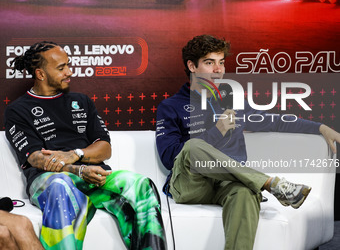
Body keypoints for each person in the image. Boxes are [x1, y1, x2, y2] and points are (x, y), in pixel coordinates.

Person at [155, 34, 340, 250]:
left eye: (221, 62)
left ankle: (259, 185)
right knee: (194, 146)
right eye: (209, 62)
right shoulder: (171, 106)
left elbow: (274, 121)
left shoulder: (233, 101)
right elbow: (169, 157)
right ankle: (269, 183)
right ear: (191, 66)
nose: (218, 70)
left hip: (228, 184)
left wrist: (318, 126)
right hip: (191, 185)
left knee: (245, 192)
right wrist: (216, 131)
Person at [4, 41, 167, 250]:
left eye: (68, 65)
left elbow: (104, 148)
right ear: (41, 74)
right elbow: (36, 158)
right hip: (51, 180)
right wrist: (79, 169)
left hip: (94, 175)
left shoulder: (82, 101)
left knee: (141, 184)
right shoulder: (17, 110)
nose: (69, 72)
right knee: (61, 186)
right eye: (61, 68)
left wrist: (75, 154)